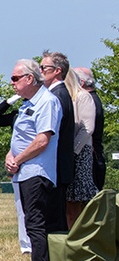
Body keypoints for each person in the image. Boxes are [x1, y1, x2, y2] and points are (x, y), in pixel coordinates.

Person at [4, 59, 61, 261]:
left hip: (37, 171)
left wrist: (17, 159)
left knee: (36, 224)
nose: (12, 83)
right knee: (31, 223)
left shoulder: (47, 101)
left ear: (29, 78)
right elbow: (20, 137)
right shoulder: (27, 104)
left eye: (15, 78)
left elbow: (42, 140)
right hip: (23, 171)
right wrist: (10, 155)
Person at [0, 94, 32, 253]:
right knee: (21, 207)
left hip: (32, 162)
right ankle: (25, 245)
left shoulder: (37, 112)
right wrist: (9, 101)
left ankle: (33, 243)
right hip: (16, 165)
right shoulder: (16, 115)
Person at [39, 51, 74, 233]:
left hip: (56, 165)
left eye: (44, 68)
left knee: (54, 218)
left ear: (57, 71)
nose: (40, 71)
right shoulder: (58, 94)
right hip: (58, 165)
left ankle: (58, 255)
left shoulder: (57, 97)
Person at [65, 70, 98, 227]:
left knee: (76, 201)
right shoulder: (68, 98)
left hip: (80, 153)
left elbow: (87, 128)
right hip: (71, 152)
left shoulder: (83, 97)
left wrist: (73, 152)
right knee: (68, 203)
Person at [73, 67, 105, 190]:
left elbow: (87, 130)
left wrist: (73, 151)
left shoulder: (87, 100)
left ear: (81, 82)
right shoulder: (95, 99)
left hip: (90, 157)